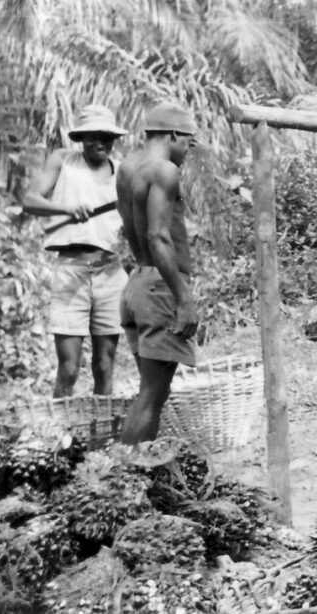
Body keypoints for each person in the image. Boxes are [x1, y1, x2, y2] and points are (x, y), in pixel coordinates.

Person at [23, 105, 129, 398]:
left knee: (105, 365)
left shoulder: (122, 172)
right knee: (69, 367)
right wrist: (65, 208)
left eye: (106, 137)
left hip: (110, 273)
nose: (100, 143)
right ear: (81, 138)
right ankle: (63, 436)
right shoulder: (64, 161)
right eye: (93, 136)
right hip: (72, 270)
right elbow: (30, 200)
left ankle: (102, 436)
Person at [116, 101, 200, 445]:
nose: (187, 153)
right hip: (159, 286)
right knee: (152, 396)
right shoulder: (164, 170)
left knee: (148, 393)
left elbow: (129, 229)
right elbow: (157, 236)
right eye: (188, 144)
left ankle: (129, 478)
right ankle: (122, 480)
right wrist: (184, 298)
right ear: (175, 134)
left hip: (137, 283)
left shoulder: (126, 168)